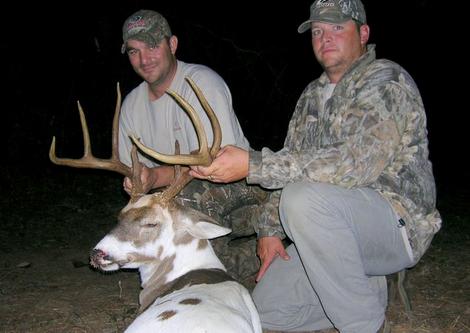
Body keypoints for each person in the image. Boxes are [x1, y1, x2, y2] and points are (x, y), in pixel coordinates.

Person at [190, 0, 442, 332]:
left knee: (303, 199)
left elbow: (350, 165)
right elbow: (295, 161)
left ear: (363, 32)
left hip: (396, 226)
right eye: (318, 31)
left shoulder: (386, 79)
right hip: (334, 230)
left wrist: (252, 164)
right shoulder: (311, 95)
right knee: (266, 312)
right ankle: (366, 289)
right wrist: (269, 229)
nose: (325, 38)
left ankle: (365, 324)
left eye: (338, 27)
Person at [117, 9, 269, 286]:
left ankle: (266, 252)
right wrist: (137, 182)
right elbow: (135, 169)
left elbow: (215, 166)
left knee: (185, 220)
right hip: (177, 195)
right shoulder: (131, 105)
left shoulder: (201, 83)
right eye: (133, 51)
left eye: (152, 46)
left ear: (172, 45)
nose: (144, 59)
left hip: (242, 189)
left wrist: (154, 177)